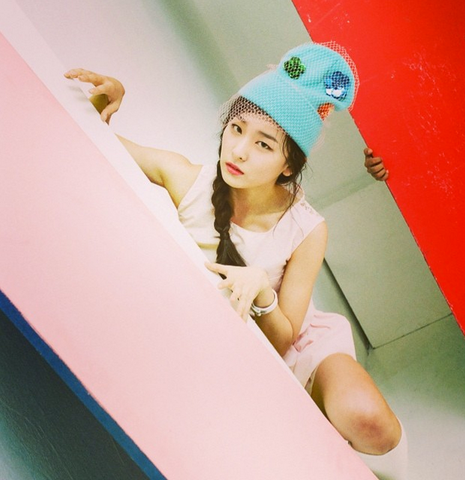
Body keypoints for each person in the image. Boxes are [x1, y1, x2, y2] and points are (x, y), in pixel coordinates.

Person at [65, 42, 406, 479]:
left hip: (298, 345)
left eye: (263, 144)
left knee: (372, 424)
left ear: (288, 166)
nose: (239, 151)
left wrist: (262, 289)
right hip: (232, 353)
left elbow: (284, 340)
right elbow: (94, 139)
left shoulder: (307, 227)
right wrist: (105, 100)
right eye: (236, 129)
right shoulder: (186, 178)